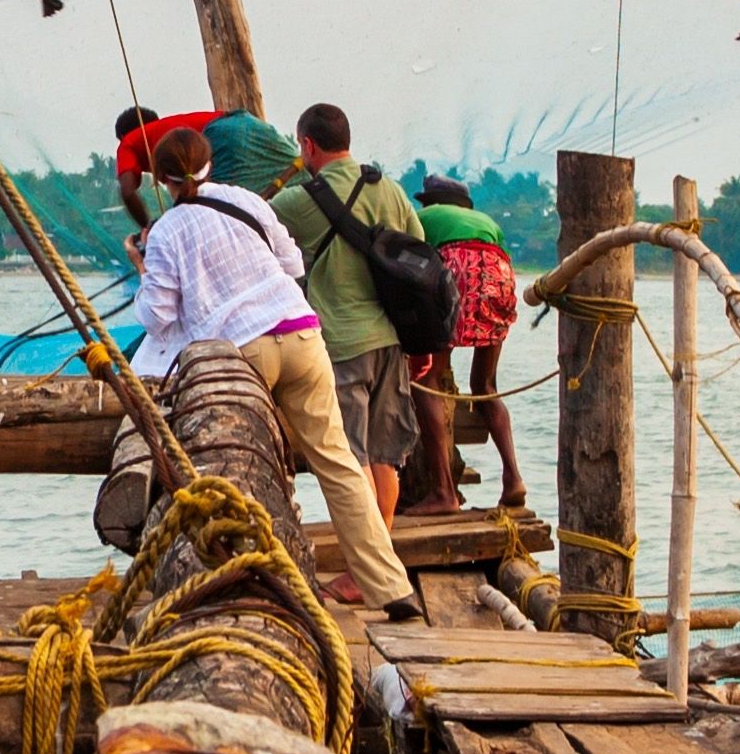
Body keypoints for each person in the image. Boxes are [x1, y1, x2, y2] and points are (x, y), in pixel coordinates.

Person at [99, 127, 414, 610]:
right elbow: (291, 263)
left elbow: (157, 316)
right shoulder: (247, 200)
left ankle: (247, 583)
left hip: (241, 350)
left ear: (160, 180)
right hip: (302, 332)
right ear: (209, 165)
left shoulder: (165, 231)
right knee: (338, 463)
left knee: (236, 463)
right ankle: (393, 590)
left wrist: (143, 265)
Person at [271, 103, 423, 525]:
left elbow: (252, 228)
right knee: (384, 458)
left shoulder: (299, 200)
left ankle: (364, 572)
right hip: (390, 341)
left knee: (351, 458)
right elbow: (419, 248)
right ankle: (383, 557)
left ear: (307, 145)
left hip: (341, 345)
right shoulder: (389, 189)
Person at [418, 175, 526, 511]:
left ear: (431, 202)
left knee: (427, 380)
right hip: (499, 273)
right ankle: (513, 478)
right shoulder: (487, 222)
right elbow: (501, 262)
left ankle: (443, 492)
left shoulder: (423, 218)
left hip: (456, 268)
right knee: (484, 384)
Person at [113, 102, 217, 238]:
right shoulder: (172, 130)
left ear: (122, 136)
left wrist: (149, 230)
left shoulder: (129, 142)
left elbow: (127, 192)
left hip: (222, 135)